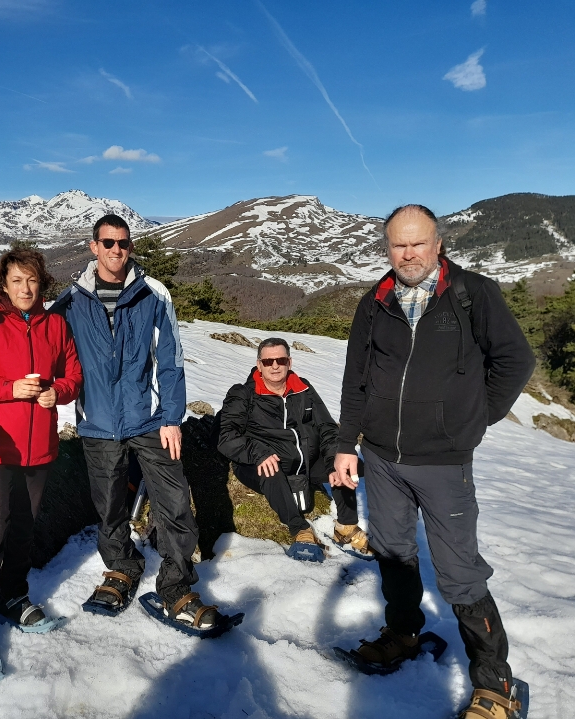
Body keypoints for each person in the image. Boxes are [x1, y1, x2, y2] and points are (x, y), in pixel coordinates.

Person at [333, 204, 534, 718]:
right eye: (399, 245)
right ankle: (402, 633)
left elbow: (515, 359)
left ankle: (496, 685)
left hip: (443, 461)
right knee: (393, 550)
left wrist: (473, 418)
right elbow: (355, 378)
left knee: (460, 574)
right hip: (380, 457)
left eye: (418, 243)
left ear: (438, 243)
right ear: (387, 248)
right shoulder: (374, 302)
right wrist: (343, 443)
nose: (409, 254)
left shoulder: (472, 295)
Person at [52, 213, 230, 633]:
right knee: (109, 504)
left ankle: (176, 584)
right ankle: (120, 566)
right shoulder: (70, 300)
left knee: (173, 502)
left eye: (124, 243)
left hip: (150, 420)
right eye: (108, 243)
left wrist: (172, 418)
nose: (117, 250)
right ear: (93, 247)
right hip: (97, 422)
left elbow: (171, 360)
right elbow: (47, 351)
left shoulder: (152, 293)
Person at [0, 248, 82, 682]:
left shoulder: (55, 325)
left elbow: (73, 375)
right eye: (16, 281)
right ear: (3, 285)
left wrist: (56, 393)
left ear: (41, 284)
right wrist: (9, 389)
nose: (25, 289)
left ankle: (13, 595)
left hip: (40, 447)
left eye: (32, 281)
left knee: (25, 529)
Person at [217, 337, 372, 558]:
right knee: (271, 471)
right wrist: (259, 453)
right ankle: (299, 528)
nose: (275, 366)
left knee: (343, 464)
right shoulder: (243, 394)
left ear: (289, 362)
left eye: (280, 360)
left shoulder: (303, 389)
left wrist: (331, 462)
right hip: (259, 462)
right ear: (259, 365)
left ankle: (346, 526)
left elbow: (327, 428)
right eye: (268, 361)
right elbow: (227, 436)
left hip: (305, 462)